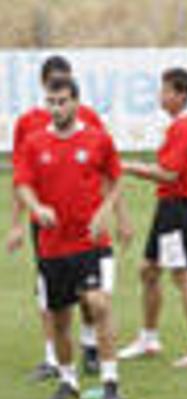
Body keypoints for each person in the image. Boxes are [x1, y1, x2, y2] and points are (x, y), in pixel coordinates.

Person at [5, 54, 132, 381]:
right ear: (43, 87)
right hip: (47, 229)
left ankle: (90, 345)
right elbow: (21, 179)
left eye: (64, 93)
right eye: (52, 92)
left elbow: (109, 172)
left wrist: (119, 216)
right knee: (49, 297)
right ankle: (54, 360)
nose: (57, 104)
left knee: (92, 298)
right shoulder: (28, 126)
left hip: (87, 229)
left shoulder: (90, 121)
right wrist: (18, 223)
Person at [117, 67, 187, 368]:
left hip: (177, 209)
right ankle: (148, 338)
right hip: (170, 209)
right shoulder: (179, 127)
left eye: (165, 91)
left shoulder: (183, 129)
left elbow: (168, 174)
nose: (161, 96)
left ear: (181, 95)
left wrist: (127, 166)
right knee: (148, 270)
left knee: (182, 276)